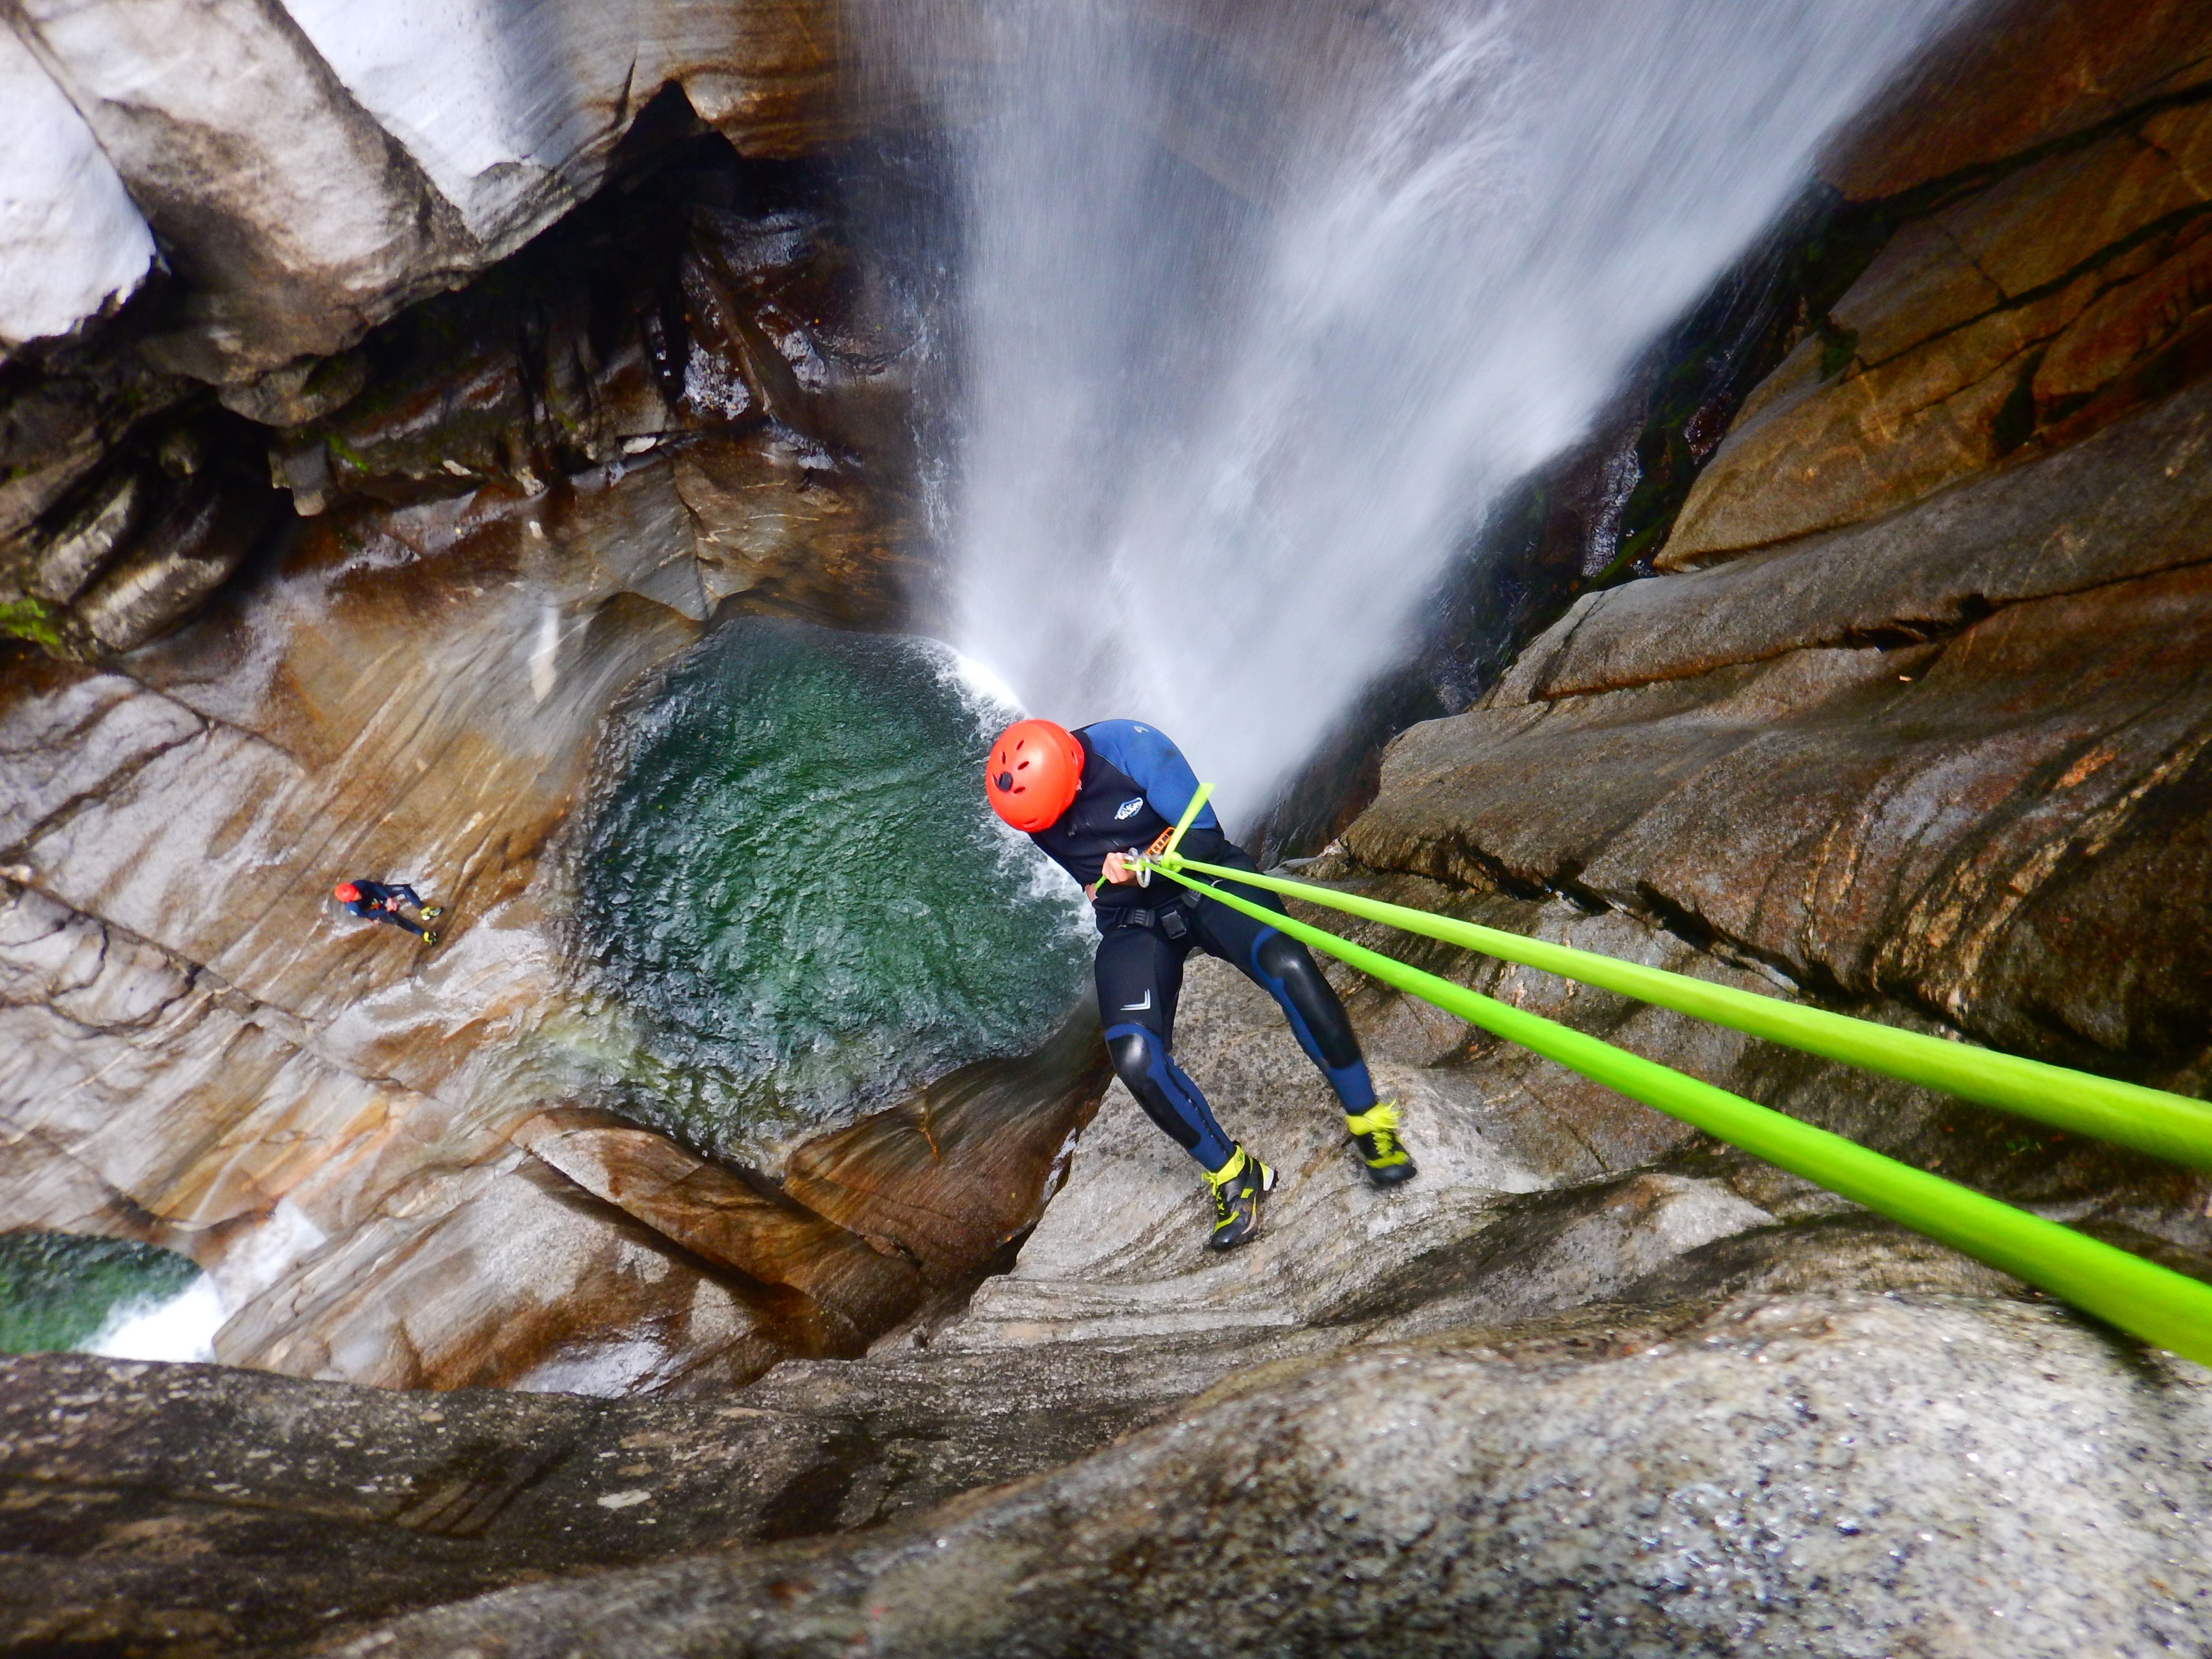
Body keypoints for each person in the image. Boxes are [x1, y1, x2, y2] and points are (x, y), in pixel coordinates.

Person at [986, 717, 1415, 1250]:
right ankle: (1235, 1175)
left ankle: (1369, 1119)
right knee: (1136, 1058)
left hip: (1203, 880)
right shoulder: (1034, 811)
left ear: (1072, 774)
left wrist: (1147, 861)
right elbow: (1091, 888)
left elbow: (1206, 834)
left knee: (1290, 969)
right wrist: (1109, 879)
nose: (1058, 825)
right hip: (1133, 918)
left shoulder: (1131, 749)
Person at [333, 880, 443, 945]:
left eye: (356, 892)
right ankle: (424, 935)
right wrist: (386, 910)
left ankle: (424, 910)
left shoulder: (359, 884)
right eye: (355, 896)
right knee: (396, 919)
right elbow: (368, 914)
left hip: (375, 895)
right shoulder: (353, 908)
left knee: (405, 889)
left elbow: (374, 887)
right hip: (371, 908)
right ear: (350, 900)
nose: (358, 895)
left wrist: (388, 898)